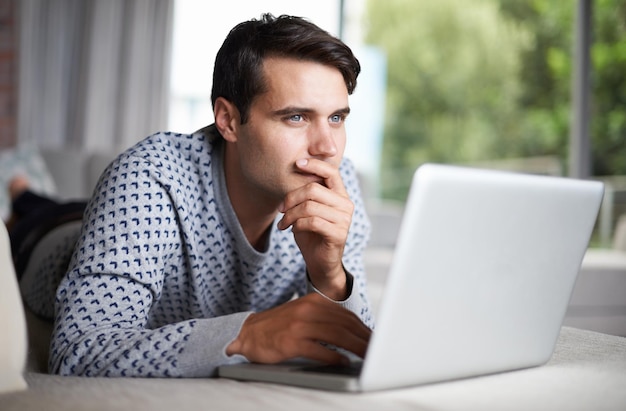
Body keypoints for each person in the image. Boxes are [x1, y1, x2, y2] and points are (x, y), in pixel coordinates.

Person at [17, 13, 375, 378]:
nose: (328, 147)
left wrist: (330, 274)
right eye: (296, 117)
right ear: (228, 120)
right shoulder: (150, 178)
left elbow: (357, 355)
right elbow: (77, 352)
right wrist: (246, 334)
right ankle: (20, 196)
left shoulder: (337, 184)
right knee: (41, 213)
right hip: (50, 240)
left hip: (121, 225)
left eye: (336, 118)